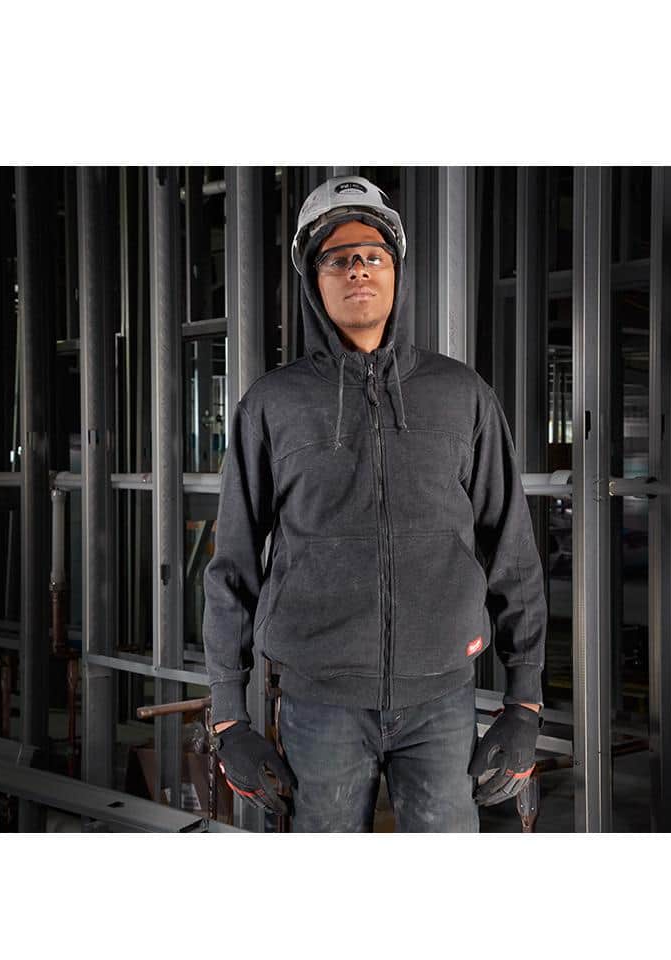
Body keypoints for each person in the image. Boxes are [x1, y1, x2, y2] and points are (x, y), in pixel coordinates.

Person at [202, 175, 547, 832]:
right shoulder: (272, 405)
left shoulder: (461, 395)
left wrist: (524, 702)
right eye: (338, 258)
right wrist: (227, 718)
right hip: (319, 705)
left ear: (396, 272)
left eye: (372, 255)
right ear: (314, 279)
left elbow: (513, 551)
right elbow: (234, 566)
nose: (358, 268)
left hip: (443, 701)